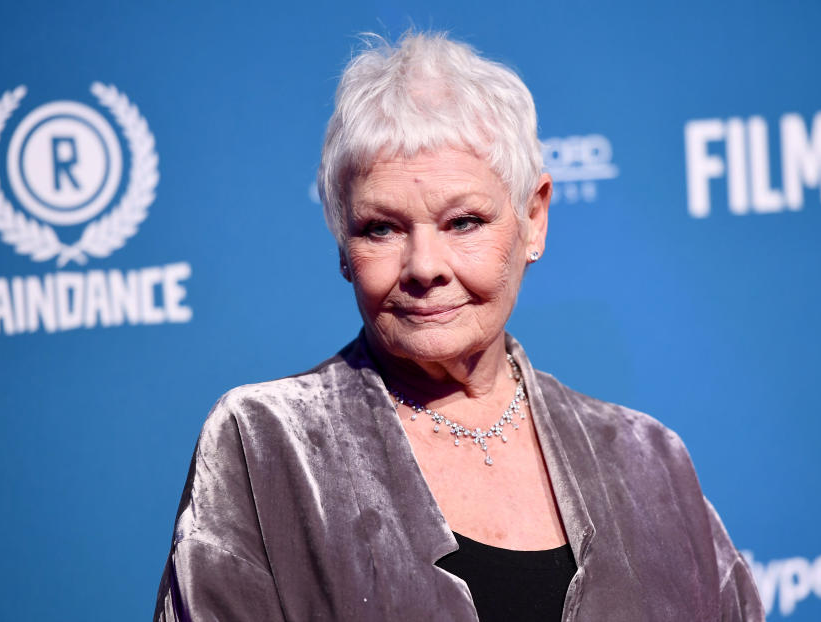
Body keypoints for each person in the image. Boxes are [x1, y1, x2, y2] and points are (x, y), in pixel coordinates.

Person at [154, 32, 764, 622]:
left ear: (534, 220)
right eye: (381, 228)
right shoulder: (265, 446)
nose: (424, 268)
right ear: (342, 242)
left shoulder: (648, 461)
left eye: (464, 222)